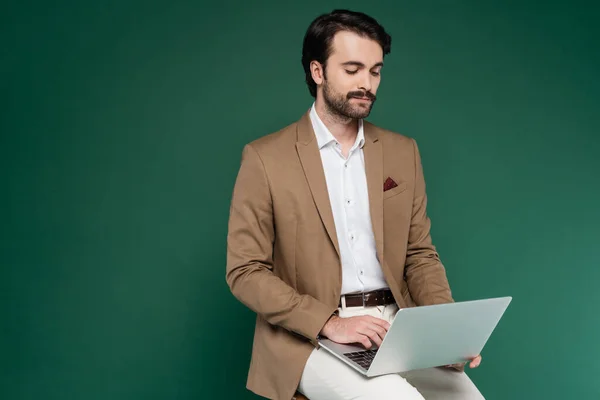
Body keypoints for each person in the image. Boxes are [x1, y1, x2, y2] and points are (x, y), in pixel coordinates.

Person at [226, 9, 483, 400]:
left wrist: (443, 330)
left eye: (375, 71)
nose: (367, 83)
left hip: (399, 330)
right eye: (352, 69)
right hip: (310, 338)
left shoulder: (402, 151)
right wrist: (329, 321)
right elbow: (244, 271)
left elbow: (419, 255)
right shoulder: (265, 158)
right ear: (317, 71)